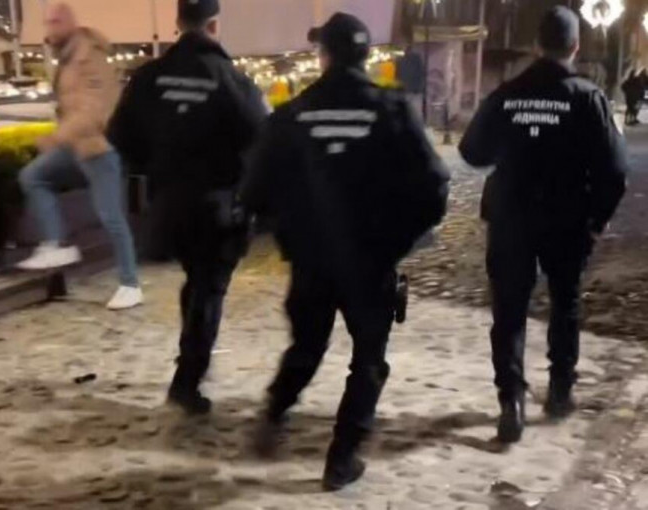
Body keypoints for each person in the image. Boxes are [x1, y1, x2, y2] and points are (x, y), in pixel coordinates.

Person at [243, 13, 449, 491]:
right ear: (366, 56)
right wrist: (399, 240)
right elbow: (435, 186)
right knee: (368, 360)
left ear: (324, 56)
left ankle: (273, 413)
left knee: (306, 346)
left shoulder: (292, 114)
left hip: (312, 261)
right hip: (371, 262)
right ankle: (342, 458)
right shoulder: (391, 110)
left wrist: (289, 233)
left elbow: (254, 190)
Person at [459, 6, 628, 444]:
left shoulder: (506, 94)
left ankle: (510, 401)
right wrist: (596, 221)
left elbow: (472, 151)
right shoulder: (587, 97)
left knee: (509, 310)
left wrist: (512, 146)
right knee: (564, 303)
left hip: (510, 218)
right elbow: (614, 171)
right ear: (575, 47)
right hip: (567, 220)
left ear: (536, 46)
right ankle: (559, 392)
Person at [108, 0, 269, 414]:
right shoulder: (232, 80)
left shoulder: (148, 78)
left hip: (169, 205)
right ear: (214, 25)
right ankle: (187, 381)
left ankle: (189, 365)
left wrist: (157, 170)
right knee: (208, 288)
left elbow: (120, 137)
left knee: (197, 282)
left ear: (179, 22)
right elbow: (262, 143)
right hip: (217, 207)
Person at [16, 3, 143, 310]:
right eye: (47, 23)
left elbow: (94, 110)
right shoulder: (68, 57)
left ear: (70, 23)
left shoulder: (90, 58)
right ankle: (56, 243)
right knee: (33, 176)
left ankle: (130, 284)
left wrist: (57, 137)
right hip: (75, 146)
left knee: (111, 216)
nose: (49, 29)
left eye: (54, 22)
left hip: (98, 148)